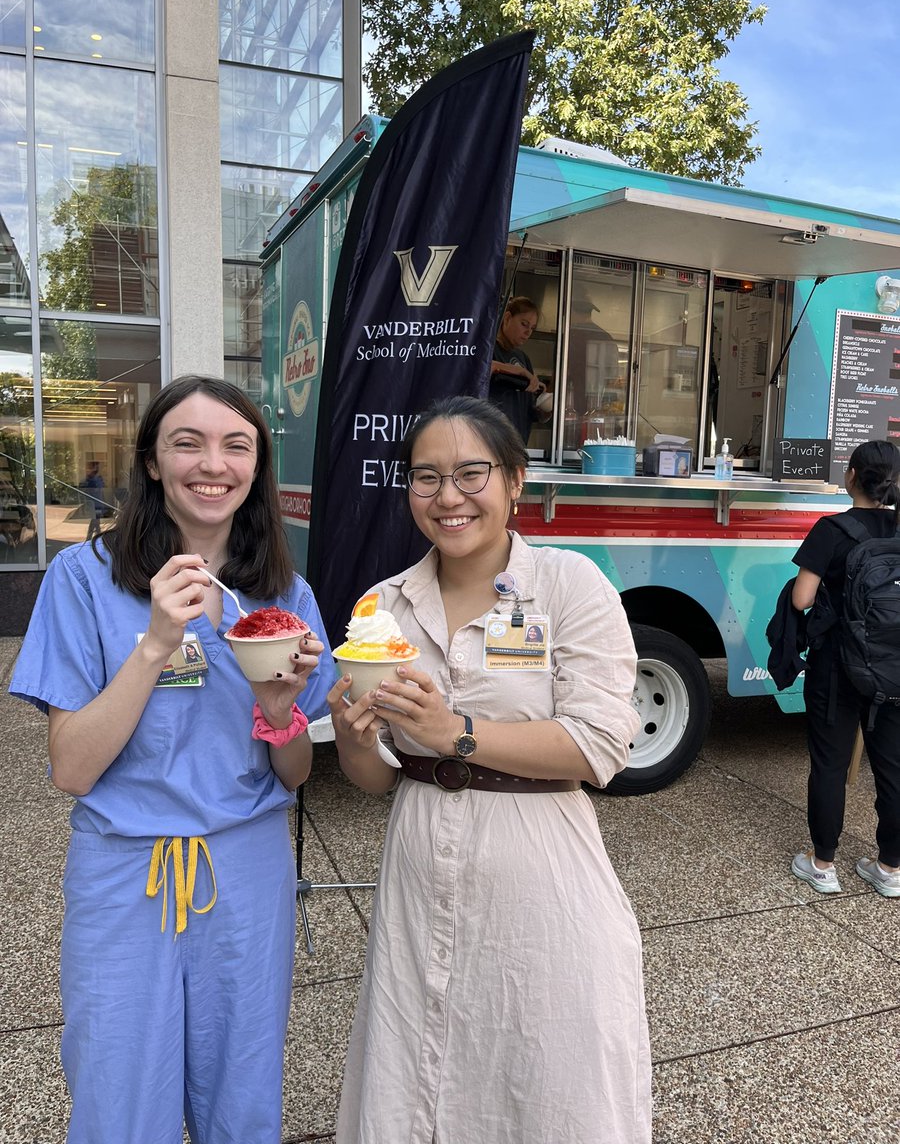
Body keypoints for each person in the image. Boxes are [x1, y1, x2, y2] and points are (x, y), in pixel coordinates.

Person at [9, 375, 335, 1143]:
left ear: (255, 465)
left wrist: (282, 711)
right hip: (126, 872)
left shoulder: (285, 596)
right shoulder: (83, 580)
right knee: (119, 1094)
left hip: (247, 870)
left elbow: (293, 778)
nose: (211, 464)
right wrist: (156, 643)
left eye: (235, 445)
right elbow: (72, 770)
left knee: (243, 1092)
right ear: (153, 461)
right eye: (186, 443)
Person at [328, 395, 650, 1143]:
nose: (448, 497)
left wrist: (455, 731)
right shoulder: (384, 606)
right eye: (426, 477)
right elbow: (378, 777)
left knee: (543, 1078)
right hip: (416, 864)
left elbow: (601, 746)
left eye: (471, 473)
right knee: (419, 1072)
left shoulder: (569, 586)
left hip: (541, 868)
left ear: (514, 482)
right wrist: (351, 738)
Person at [790, 439, 900, 898]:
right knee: (893, 768)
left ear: (851, 475)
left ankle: (822, 865)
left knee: (831, 764)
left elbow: (802, 599)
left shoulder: (831, 529)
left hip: (837, 667)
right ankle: (890, 869)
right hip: (894, 668)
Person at [488, 295, 551, 445]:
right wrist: (520, 372)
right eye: (524, 324)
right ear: (508, 318)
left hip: (518, 446)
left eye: (532, 328)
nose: (528, 332)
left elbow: (530, 410)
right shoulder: (488, 349)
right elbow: (484, 368)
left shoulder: (523, 358)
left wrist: (545, 410)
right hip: (491, 441)